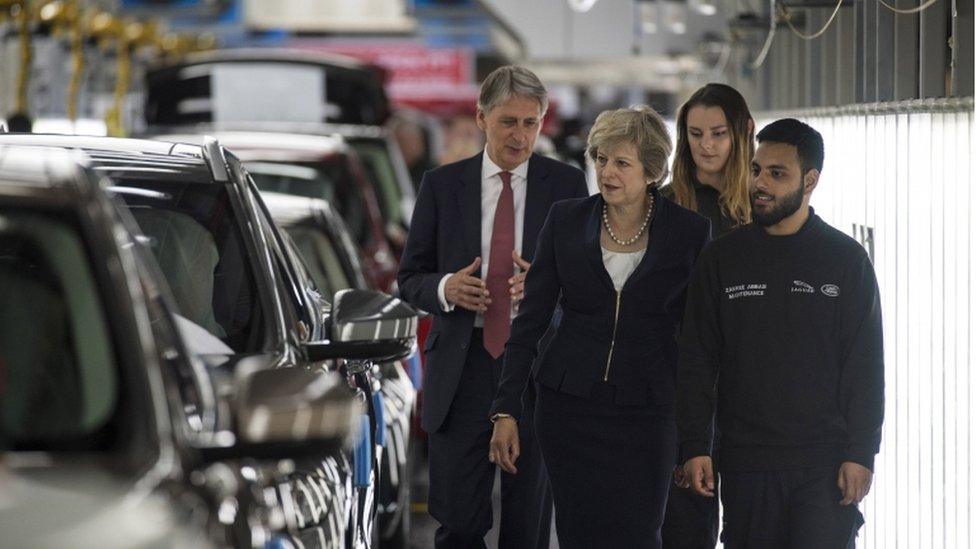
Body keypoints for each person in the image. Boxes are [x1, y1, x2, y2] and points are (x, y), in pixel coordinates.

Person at [488, 105, 711, 549]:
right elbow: (529, 324)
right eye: (601, 159)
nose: (607, 172)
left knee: (640, 533)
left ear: (651, 170)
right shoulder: (566, 220)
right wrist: (506, 410)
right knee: (578, 534)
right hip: (569, 408)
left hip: (649, 410)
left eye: (622, 163)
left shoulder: (689, 232)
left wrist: (698, 440)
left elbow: (699, 346)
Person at [397, 65, 588, 549]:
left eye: (531, 122)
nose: (520, 136)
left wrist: (547, 286)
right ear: (482, 119)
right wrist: (445, 288)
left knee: (526, 525)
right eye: (509, 122)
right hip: (462, 370)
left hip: (534, 369)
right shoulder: (442, 186)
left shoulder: (565, 184)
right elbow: (409, 279)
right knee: (459, 522)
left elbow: (589, 284)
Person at [677, 118, 885, 548]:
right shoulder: (722, 258)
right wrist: (694, 444)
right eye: (756, 170)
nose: (760, 183)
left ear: (810, 181)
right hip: (747, 463)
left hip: (824, 464)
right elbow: (697, 358)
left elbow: (865, 366)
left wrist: (861, 452)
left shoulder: (845, 260)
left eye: (777, 173)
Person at [661, 82, 755, 548]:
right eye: (696, 134)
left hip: (751, 393)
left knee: (749, 527)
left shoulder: (765, 209)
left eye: (718, 133)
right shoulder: (664, 204)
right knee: (687, 530)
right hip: (681, 385)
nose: (707, 145)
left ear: (740, 134)